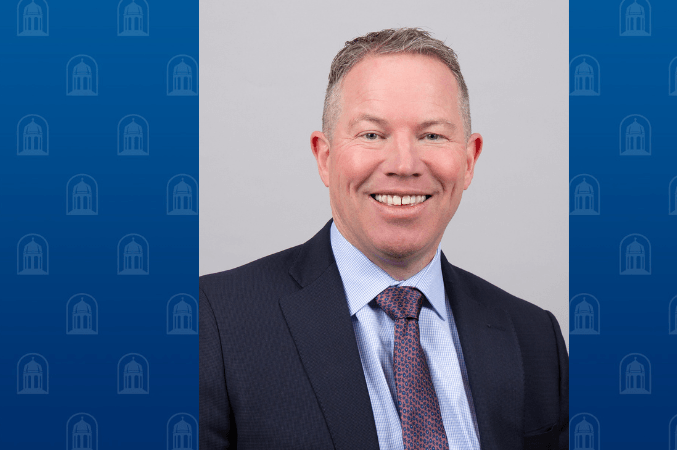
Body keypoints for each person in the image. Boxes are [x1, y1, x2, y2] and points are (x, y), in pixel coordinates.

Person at [200, 28, 568, 450]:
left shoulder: (535, 336)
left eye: (432, 135)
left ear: (468, 161)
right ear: (325, 156)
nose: (404, 164)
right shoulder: (214, 323)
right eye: (373, 134)